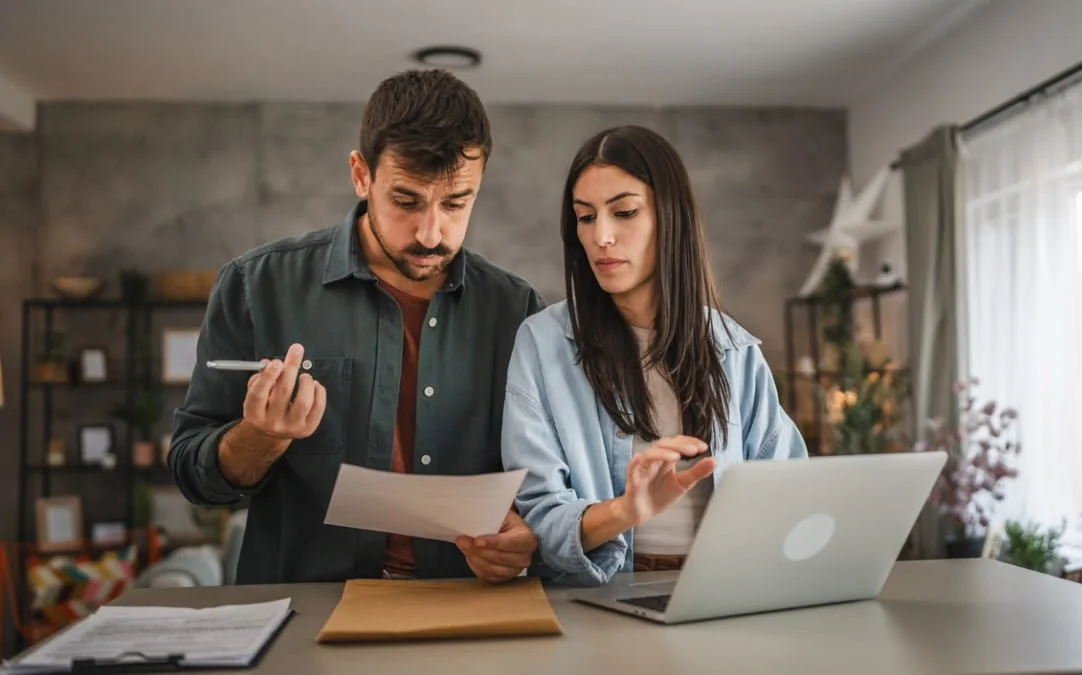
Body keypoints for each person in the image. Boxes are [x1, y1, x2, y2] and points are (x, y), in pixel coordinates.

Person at [169, 68, 544, 586]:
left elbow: (547, 482)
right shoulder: (255, 286)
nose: (431, 232)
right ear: (361, 175)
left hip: (467, 605)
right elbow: (193, 474)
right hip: (303, 612)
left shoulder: (516, 308)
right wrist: (259, 439)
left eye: (456, 203)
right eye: (407, 201)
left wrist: (529, 536)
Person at [500, 125, 809, 587]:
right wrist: (626, 510)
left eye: (624, 212)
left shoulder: (734, 349)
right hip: (599, 595)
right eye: (585, 217)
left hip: (723, 590)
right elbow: (540, 518)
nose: (601, 236)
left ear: (671, 217)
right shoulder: (542, 344)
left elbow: (789, 493)